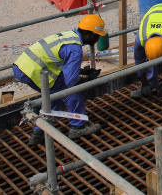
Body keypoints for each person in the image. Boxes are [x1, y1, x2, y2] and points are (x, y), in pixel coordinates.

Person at [13, 15, 105, 143]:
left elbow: (60, 63)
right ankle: (77, 126)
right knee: (70, 92)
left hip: (24, 66)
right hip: (32, 71)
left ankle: (40, 132)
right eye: (97, 35)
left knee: (55, 95)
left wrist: (82, 72)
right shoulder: (75, 49)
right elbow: (71, 81)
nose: (98, 39)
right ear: (89, 35)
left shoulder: (69, 36)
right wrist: (87, 80)